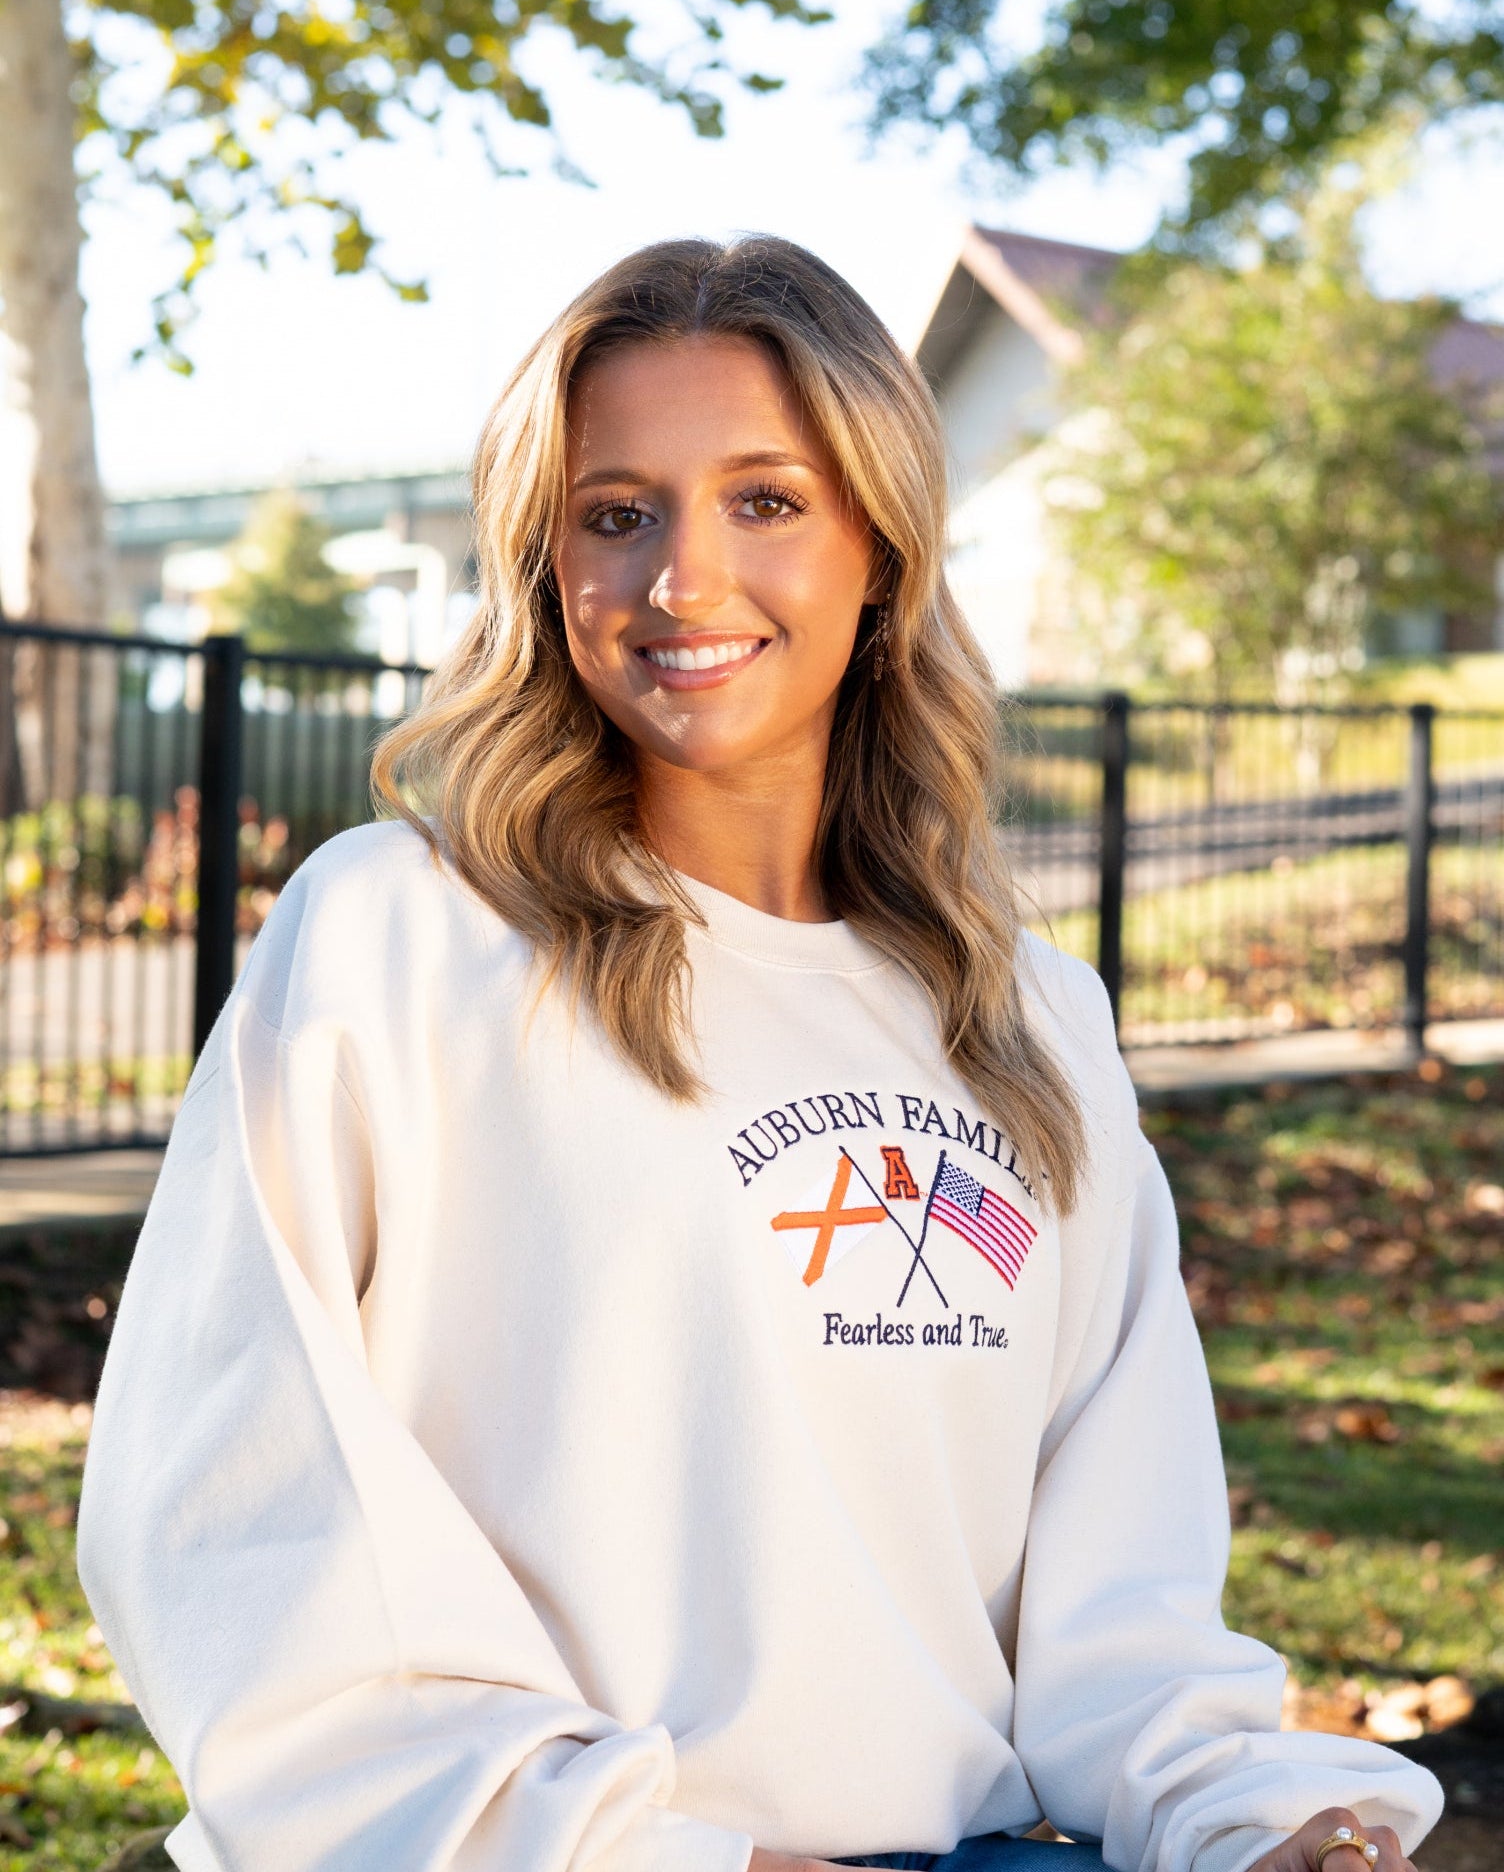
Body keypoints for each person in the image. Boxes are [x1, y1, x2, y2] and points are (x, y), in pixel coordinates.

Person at [76, 235, 1442, 1872]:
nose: (682, 578)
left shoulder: (1029, 1023)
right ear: (545, 561)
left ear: (882, 546)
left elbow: (1122, 1609)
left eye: (766, 501)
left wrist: (1254, 1830)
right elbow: (232, 1526)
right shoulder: (400, 941)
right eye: (615, 511)